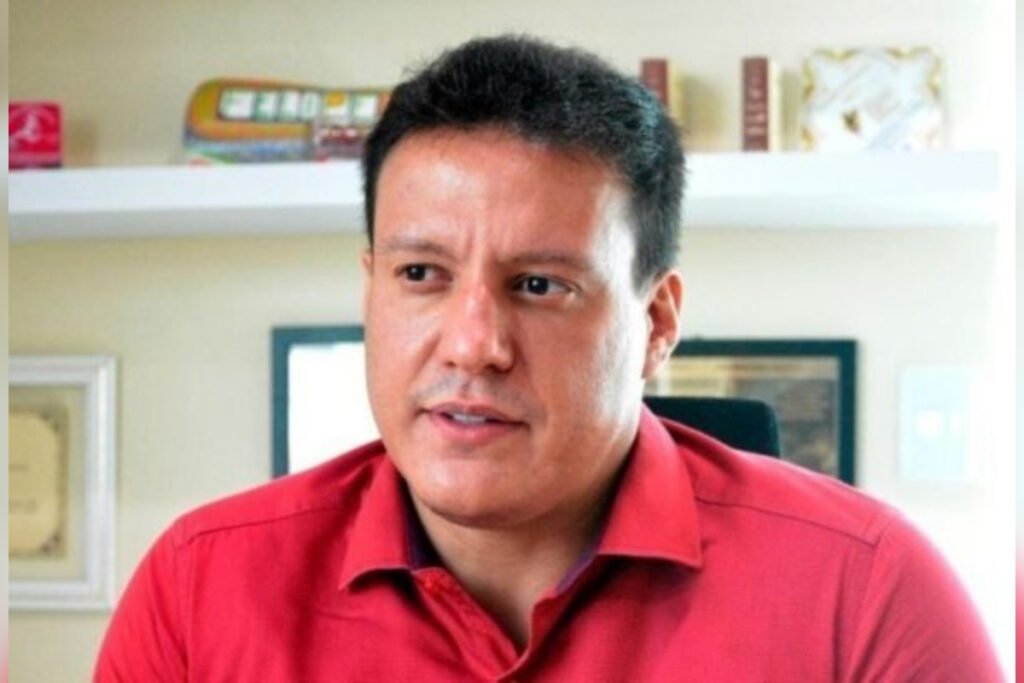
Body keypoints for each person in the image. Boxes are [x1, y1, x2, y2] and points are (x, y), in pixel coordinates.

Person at [95, 35, 1001, 681]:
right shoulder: (198, 591)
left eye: (539, 285)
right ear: (371, 288)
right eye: (421, 274)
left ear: (656, 322)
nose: (472, 343)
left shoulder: (866, 594)